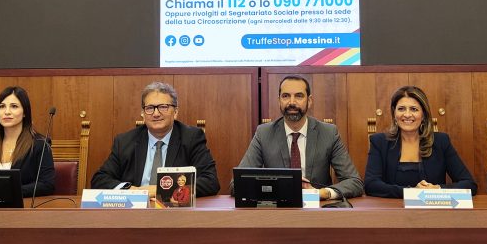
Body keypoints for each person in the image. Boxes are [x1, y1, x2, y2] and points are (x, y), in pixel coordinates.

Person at [234, 75, 363, 200]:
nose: (292, 102)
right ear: (279, 100)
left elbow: (354, 182)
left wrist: (323, 193)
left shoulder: (328, 133)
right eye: (286, 96)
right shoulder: (264, 134)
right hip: (278, 208)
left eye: (299, 96)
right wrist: (275, 189)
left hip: (317, 207)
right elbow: (237, 183)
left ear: (309, 101)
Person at [91, 82, 220, 197]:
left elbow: (210, 181)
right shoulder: (125, 141)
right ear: (143, 114)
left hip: (174, 210)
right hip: (135, 211)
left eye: (163, 107)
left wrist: (160, 190)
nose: (156, 114)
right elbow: (100, 179)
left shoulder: (191, 138)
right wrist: (130, 190)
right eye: (150, 108)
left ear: (175, 112)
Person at [363, 86, 477, 198]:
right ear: (394, 113)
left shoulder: (441, 141)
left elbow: (469, 184)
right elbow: (371, 185)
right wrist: (412, 192)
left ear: (423, 115)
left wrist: (437, 189)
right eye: (401, 109)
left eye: (414, 109)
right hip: (394, 209)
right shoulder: (380, 142)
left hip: (432, 208)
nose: (407, 115)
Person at [0, 86, 54, 197]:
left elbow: (47, 185)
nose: (7, 112)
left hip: (21, 205)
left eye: (14, 106)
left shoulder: (39, 144)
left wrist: (9, 191)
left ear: (25, 112)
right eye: (2, 106)